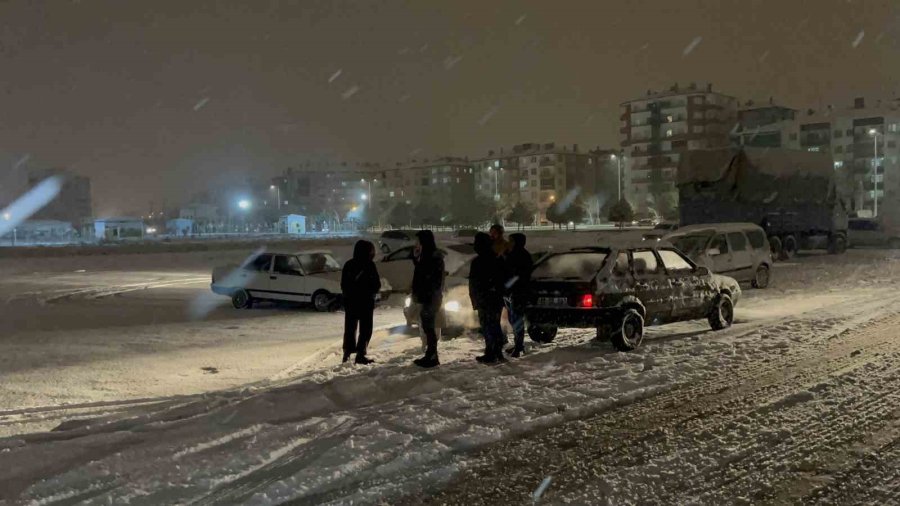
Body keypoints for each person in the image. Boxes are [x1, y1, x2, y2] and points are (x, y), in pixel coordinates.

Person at [341, 240, 382, 364]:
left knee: (350, 328)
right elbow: (376, 284)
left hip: (351, 302)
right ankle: (360, 353)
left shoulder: (349, 264)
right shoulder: (369, 265)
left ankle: (347, 352)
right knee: (365, 328)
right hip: (365, 303)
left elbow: (343, 284)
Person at [469, 232, 507, 364]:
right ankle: (496, 351)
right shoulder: (497, 259)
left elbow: (475, 283)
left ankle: (492, 352)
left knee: (488, 326)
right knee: (493, 325)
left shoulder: (480, 261)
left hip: (486, 299)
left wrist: (478, 298)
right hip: (493, 299)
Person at [411, 230, 444, 368]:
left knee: (429, 327)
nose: (417, 243)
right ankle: (431, 354)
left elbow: (427, 276)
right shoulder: (428, 255)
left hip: (429, 297)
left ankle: (432, 356)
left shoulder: (432, 256)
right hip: (428, 296)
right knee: (427, 326)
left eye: (419, 240)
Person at [504, 233, 533, 357]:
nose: (508, 242)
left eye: (511, 240)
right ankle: (518, 345)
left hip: (518, 292)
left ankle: (519, 346)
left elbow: (518, 276)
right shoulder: (514, 254)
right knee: (513, 318)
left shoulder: (521, 256)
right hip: (513, 292)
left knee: (516, 319)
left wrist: (509, 286)